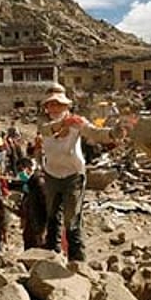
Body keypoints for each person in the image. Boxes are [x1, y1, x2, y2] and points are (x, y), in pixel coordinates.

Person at [39, 84, 124, 261]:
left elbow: (95, 133)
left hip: (73, 175)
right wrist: (63, 123)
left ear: (66, 106)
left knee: (72, 218)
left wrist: (114, 133)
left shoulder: (77, 122)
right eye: (50, 105)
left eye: (58, 104)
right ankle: (52, 255)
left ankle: (76, 259)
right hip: (51, 174)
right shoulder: (44, 121)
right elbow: (46, 130)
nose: (54, 108)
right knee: (52, 216)